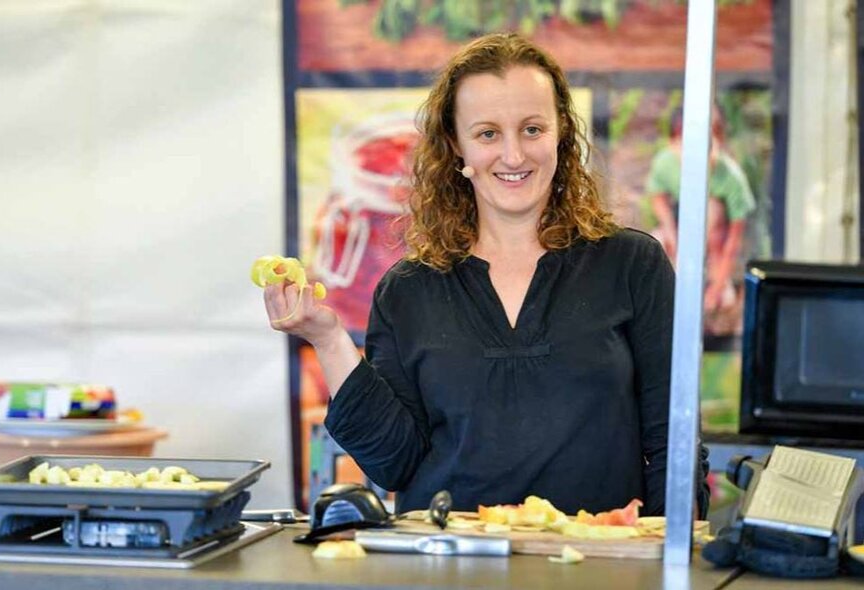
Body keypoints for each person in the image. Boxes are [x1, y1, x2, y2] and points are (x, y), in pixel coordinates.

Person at [264, 33, 710, 517]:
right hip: (449, 563)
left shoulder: (632, 265)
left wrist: (667, 556)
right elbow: (394, 464)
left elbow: (676, 444)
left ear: (562, 132)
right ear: (457, 146)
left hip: (600, 563)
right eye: (488, 134)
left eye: (533, 129)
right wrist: (327, 339)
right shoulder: (408, 290)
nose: (514, 156)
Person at [644, 105, 756, 317]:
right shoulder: (665, 163)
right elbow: (657, 197)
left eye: (708, 143)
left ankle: (717, 288)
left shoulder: (731, 177)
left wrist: (718, 284)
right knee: (656, 241)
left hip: (716, 245)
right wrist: (671, 234)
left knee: (712, 208)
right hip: (681, 235)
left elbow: (734, 237)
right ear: (674, 143)